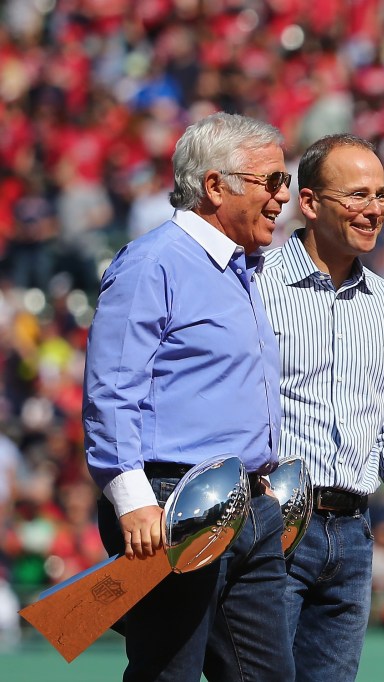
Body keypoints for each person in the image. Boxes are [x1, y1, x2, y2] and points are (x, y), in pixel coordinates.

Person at [83, 112, 295, 681]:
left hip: (251, 506)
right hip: (173, 503)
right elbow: (111, 389)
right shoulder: (154, 262)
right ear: (215, 186)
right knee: (168, 673)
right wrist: (131, 498)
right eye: (270, 182)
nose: (283, 197)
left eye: (286, 182)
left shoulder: (243, 269)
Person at [255, 133, 384, 682]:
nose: (373, 209)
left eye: (381, 196)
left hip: (353, 530)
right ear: (309, 203)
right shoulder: (255, 285)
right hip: (272, 527)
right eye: (356, 195)